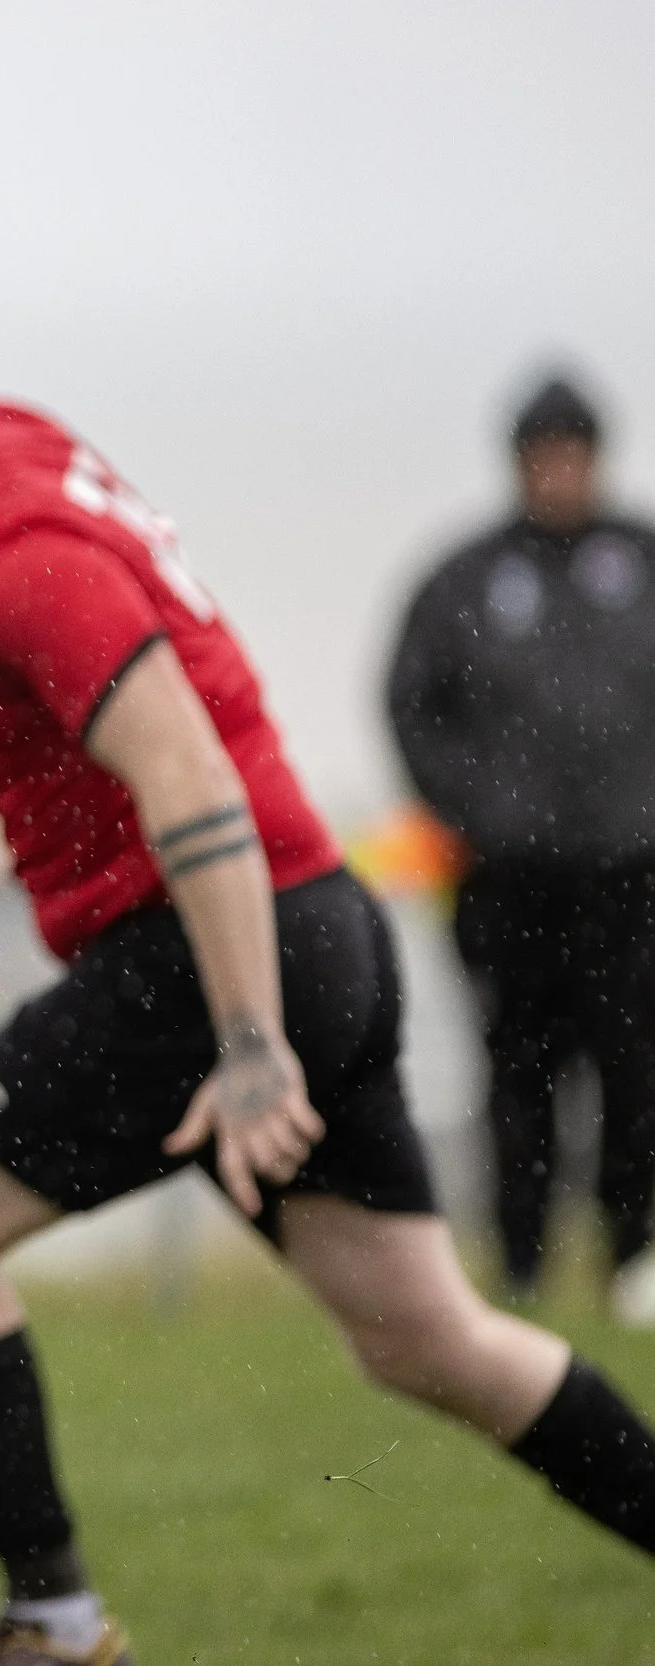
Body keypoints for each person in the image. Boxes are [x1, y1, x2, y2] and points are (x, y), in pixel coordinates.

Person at [0, 248, 655, 1665]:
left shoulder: (16, 551)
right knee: (431, 1341)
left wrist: (252, 1043)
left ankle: (59, 1625)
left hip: (200, 954)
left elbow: (189, 777)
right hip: (316, 924)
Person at [387, 375, 655, 1317]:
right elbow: (412, 708)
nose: (560, 471)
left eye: (575, 452)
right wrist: (478, 816)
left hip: (632, 881)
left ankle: (634, 1261)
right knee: (516, 1075)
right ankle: (521, 1264)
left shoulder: (643, 562)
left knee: (634, 1072)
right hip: (508, 886)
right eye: (544, 453)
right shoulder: (463, 578)